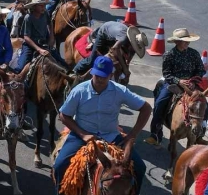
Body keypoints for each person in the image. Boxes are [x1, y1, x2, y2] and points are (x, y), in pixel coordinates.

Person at [52, 56, 151, 195]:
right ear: (92, 72)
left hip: (111, 136)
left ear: (111, 75)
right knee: (60, 165)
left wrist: (132, 135)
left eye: (104, 76)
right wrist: (82, 134)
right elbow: (64, 115)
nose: (100, 79)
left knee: (140, 167)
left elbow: (146, 108)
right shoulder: (79, 90)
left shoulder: (120, 90)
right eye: (97, 75)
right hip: (81, 136)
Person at [144, 28, 208, 147]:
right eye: (184, 41)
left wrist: (194, 81)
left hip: (191, 85)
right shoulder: (169, 55)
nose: (187, 43)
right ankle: (155, 133)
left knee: (206, 107)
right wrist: (179, 81)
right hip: (173, 84)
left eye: (187, 41)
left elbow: (200, 70)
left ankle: (200, 134)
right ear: (176, 42)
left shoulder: (194, 53)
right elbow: (167, 74)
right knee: (160, 103)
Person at [72, 21, 147, 79]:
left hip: (113, 33)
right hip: (104, 32)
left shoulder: (132, 43)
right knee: (92, 59)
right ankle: (74, 71)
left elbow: (128, 58)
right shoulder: (123, 38)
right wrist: (124, 67)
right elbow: (114, 49)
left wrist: (126, 67)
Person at [13, 0, 66, 74]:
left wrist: (51, 37)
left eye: (44, 5)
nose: (43, 8)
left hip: (44, 43)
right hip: (30, 46)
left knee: (61, 62)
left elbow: (50, 23)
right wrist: (39, 49)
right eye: (41, 6)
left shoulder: (45, 14)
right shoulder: (28, 18)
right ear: (34, 7)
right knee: (20, 68)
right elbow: (26, 37)